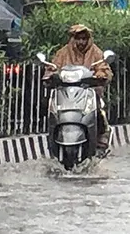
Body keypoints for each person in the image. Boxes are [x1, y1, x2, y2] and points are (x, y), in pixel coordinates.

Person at [45, 23, 113, 154]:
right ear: (73, 39)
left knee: (98, 110)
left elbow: (104, 69)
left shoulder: (96, 52)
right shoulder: (63, 52)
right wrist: (49, 76)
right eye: (78, 38)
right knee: (50, 110)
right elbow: (53, 67)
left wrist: (100, 76)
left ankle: (102, 136)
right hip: (65, 94)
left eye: (84, 38)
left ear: (88, 39)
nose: (81, 42)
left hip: (88, 93)